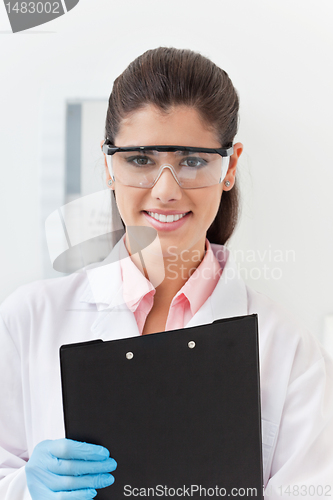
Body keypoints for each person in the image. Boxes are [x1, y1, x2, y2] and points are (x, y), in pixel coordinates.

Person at [0, 47, 332, 500]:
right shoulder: (27, 320)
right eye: (140, 160)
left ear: (229, 166)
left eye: (193, 161)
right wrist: (25, 490)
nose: (165, 190)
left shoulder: (289, 350)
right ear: (107, 165)